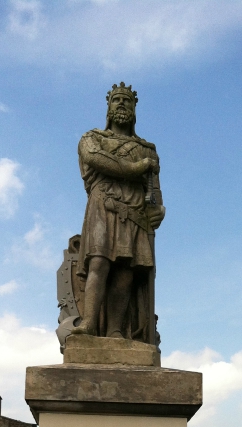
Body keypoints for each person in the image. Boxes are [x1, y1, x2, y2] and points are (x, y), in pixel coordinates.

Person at [71, 83, 165, 342]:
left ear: (134, 109)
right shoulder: (92, 139)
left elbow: (154, 190)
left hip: (134, 212)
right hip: (104, 205)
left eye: (127, 101)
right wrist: (138, 168)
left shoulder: (147, 149)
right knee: (99, 262)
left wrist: (159, 210)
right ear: (109, 107)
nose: (122, 104)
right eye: (116, 100)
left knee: (125, 271)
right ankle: (89, 322)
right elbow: (98, 160)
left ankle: (115, 329)